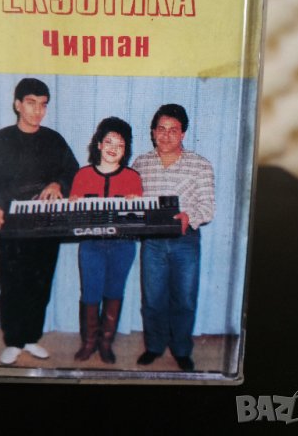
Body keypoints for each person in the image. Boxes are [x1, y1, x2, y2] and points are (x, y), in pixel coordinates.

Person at [0, 78, 79, 365]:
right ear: (18, 104)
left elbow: (73, 172)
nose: (38, 111)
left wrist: (58, 184)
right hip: (10, 224)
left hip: (46, 223)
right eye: (31, 103)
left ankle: (31, 338)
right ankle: (13, 341)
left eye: (43, 105)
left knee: (40, 284)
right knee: (11, 286)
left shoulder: (54, 140)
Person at [132, 104, 215, 371]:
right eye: (161, 129)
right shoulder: (140, 164)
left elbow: (208, 207)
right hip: (152, 242)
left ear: (183, 134)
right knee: (152, 299)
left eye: (173, 130)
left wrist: (189, 216)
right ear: (153, 132)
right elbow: (133, 203)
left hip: (185, 241)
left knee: (185, 299)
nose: (166, 135)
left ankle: (181, 349)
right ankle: (154, 346)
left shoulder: (200, 165)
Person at [70, 117, 143, 364]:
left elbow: (140, 220)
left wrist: (137, 205)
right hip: (91, 245)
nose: (114, 148)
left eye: (120, 144)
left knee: (114, 291)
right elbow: (73, 220)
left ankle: (105, 343)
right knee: (90, 293)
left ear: (126, 150)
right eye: (109, 141)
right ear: (99, 144)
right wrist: (74, 205)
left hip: (123, 245)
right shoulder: (82, 174)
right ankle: (89, 342)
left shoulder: (133, 177)